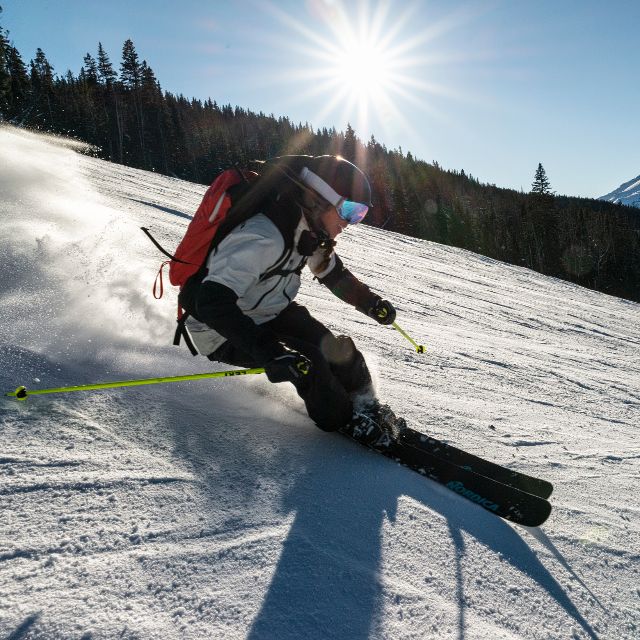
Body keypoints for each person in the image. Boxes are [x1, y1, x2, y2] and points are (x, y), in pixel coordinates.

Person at [181, 155, 400, 443]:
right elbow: (211, 302)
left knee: (338, 351)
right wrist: (269, 351)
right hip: (221, 330)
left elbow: (332, 274)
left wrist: (370, 303)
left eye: (359, 214)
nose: (351, 222)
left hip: (271, 310)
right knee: (310, 366)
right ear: (319, 198)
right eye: (349, 210)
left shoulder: (309, 230)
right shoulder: (265, 235)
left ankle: (366, 405)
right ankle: (343, 419)